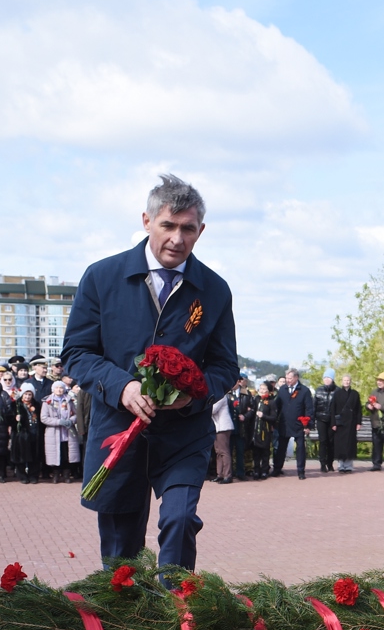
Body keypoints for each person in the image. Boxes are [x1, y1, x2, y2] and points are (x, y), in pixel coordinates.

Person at [63, 175, 239, 568]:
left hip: (184, 435)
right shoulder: (101, 277)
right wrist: (122, 386)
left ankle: (178, 615)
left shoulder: (214, 290)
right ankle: (126, 621)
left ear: (201, 231)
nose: (177, 238)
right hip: (117, 434)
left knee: (178, 520)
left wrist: (193, 393)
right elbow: (76, 353)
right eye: (168, 226)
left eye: (188, 229)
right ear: (147, 221)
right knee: (121, 551)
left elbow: (226, 366)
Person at [273, 367, 314, 480]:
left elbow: (309, 409)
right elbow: (277, 406)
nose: (288, 380)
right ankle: (277, 469)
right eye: (286, 378)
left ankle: (301, 471)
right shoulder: (282, 390)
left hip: (299, 424)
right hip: (284, 424)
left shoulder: (304, 391)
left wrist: (308, 425)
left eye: (290, 378)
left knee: (300, 448)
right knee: (281, 448)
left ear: (296, 377)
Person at [40, 380, 80, 483]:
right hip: (53, 433)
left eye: (61, 388)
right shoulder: (47, 401)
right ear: (53, 389)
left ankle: (66, 475)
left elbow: (76, 414)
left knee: (67, 454)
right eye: (57, 388)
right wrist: (58, 422)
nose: (59, 390)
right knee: (55, 454)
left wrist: (71, 421)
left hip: (67, 433)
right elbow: (44, 418)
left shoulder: (68, 400)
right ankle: (55, 475)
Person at [10, 385, 43, 484]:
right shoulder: (16, 405)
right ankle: (22, 476)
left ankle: (33, 475)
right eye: (25, 394)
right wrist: (15, 419)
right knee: (21, 456)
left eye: (29, 394)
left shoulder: (37, 405)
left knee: (34, 455)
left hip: (35, 433)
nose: (27, 397)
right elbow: (8, 418)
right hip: (21, 435)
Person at [334, 373, 361, 473]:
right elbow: (333, 409)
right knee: (340, 444)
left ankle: (349, 465)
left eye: (348, 380)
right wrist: (333, 423)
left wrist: (359, 422)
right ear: (342, 381)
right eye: (345, 380)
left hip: (351, 423)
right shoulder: (337, 394)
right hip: (340, 423)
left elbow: (358, 410)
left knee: (350, 444)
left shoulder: (355, 394)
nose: (347, 382)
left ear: (351, 381)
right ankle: (341, 465)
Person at [251, 380, 278, 479]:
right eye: (261, 389)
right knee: (256, 452)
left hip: (265, 430)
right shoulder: (256, 400)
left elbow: (274, 417)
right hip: (255, 430)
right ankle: (256, 470)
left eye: (264, 389)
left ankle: (264, 470)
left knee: (265, 452)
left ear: (268, 391)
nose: (262, 391)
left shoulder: (271, 402)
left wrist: (263, 416)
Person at [314, 371, 339, 472]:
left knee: (331, 442)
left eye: (329, 378)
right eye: (325, 378)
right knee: (323, 441)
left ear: (332, 379)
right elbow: (314, 405)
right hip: (321, 419)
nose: (326, 380)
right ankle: (322, 463)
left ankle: (330, 463)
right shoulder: (318, 390)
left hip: (332, 420)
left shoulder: (338, 391)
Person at [211, 393, 235, 484]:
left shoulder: (221, 396)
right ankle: (220, 474)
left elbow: (213, 410)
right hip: (217, 427)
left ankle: (227, 475)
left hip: (223, 427)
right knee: (218, 451)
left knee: (224, 451)